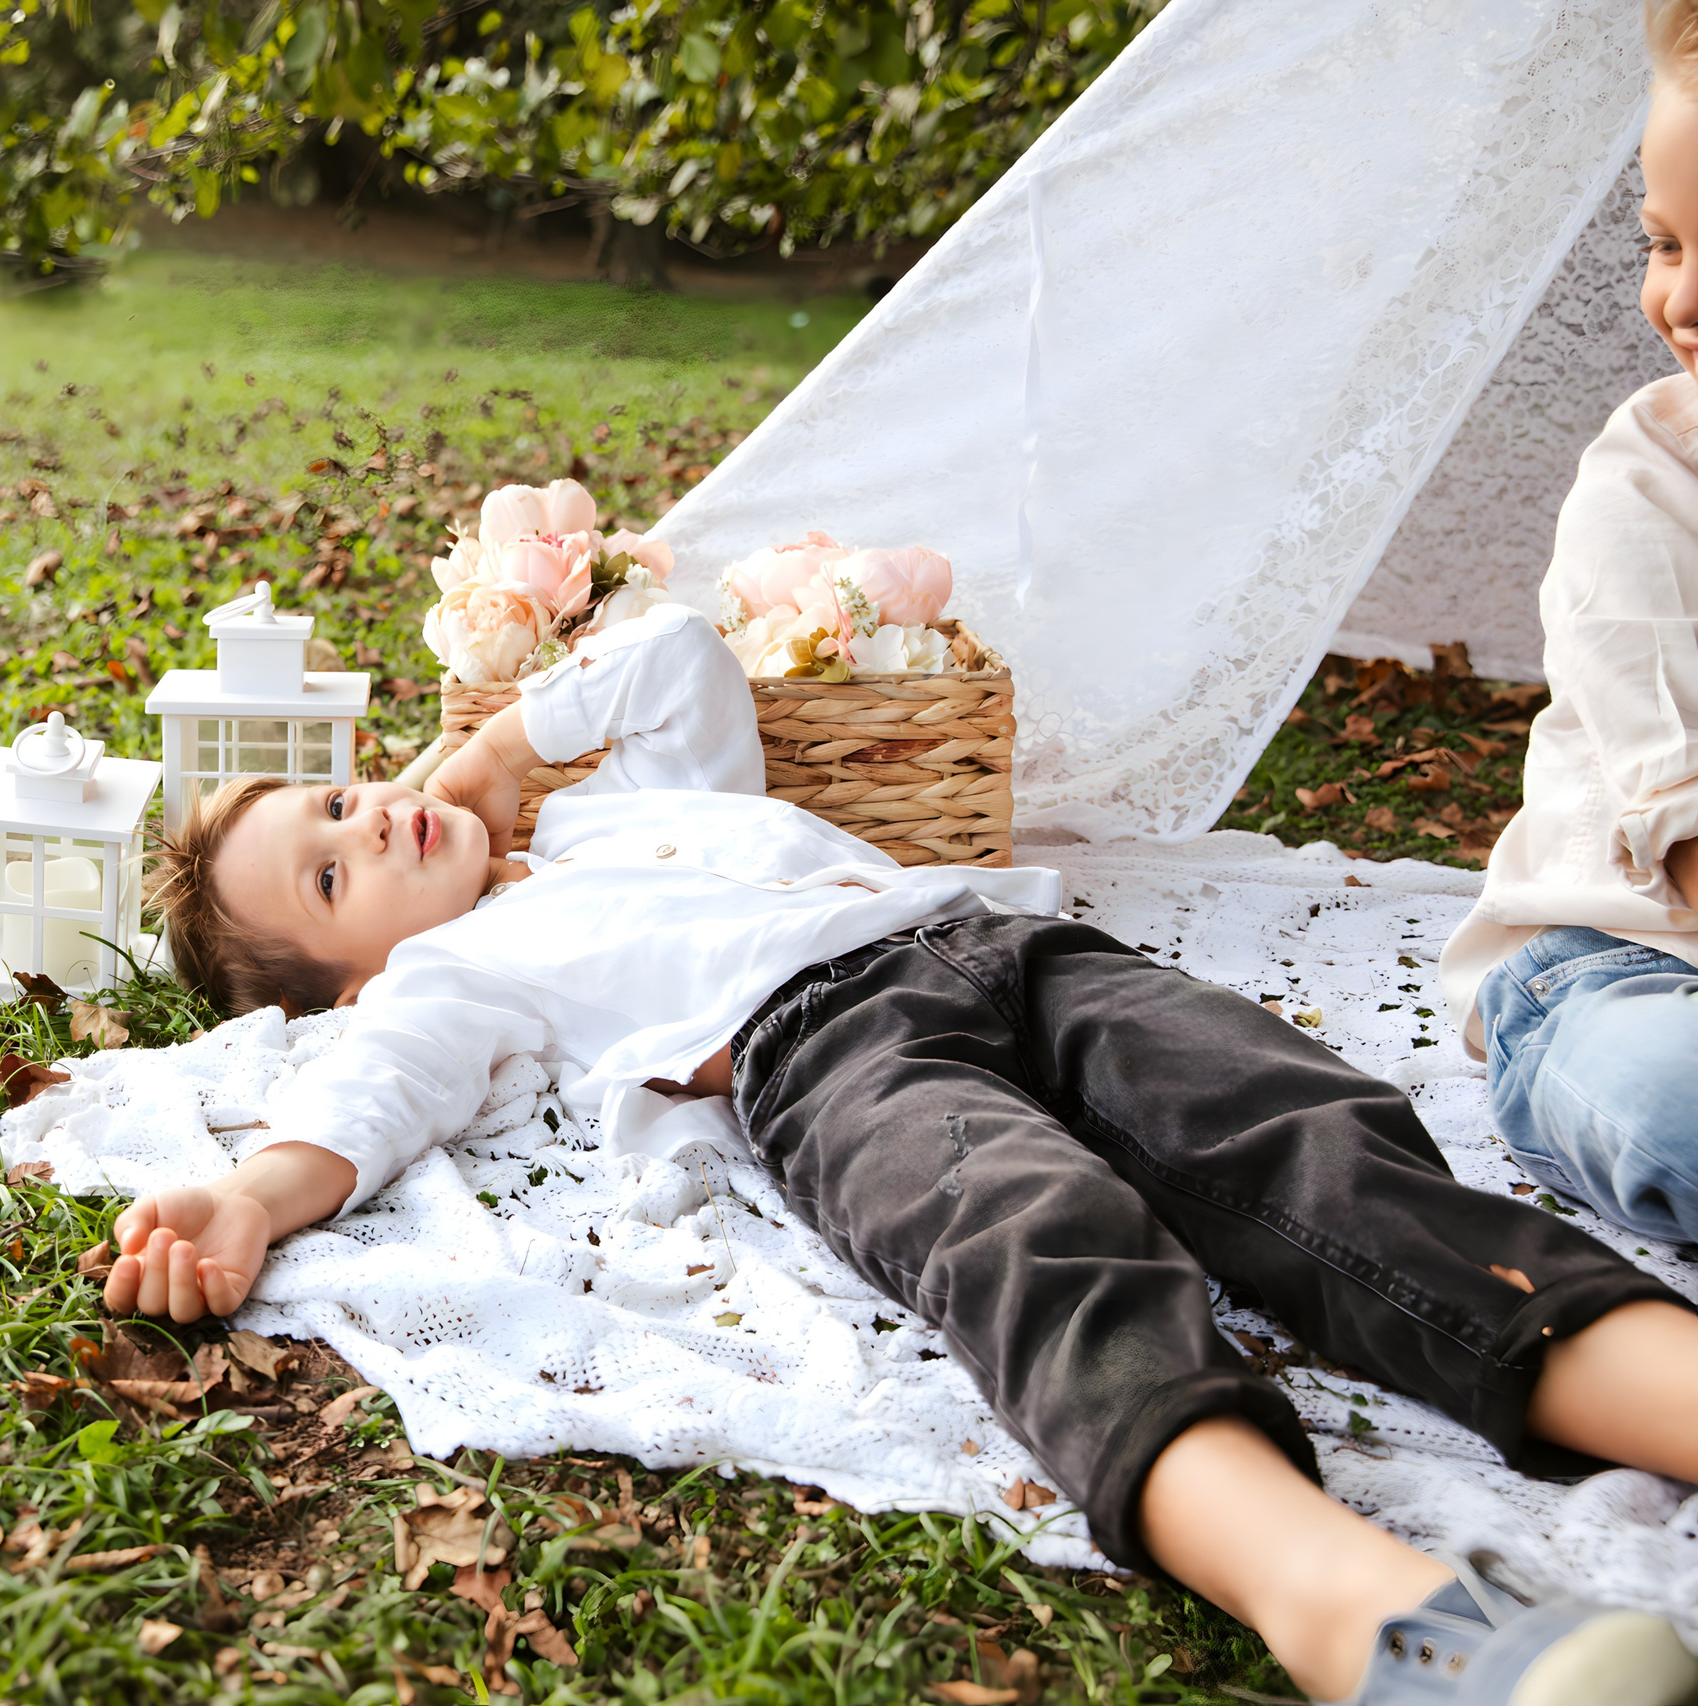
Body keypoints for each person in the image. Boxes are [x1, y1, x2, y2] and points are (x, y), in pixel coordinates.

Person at [101, 602, 1698, 1705]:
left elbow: (670, 653)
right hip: (823, 1053)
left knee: (1310, 1140)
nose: (365, 822)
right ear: (358, 972)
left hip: (1015, 954)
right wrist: (245, 1198)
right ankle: (1365, 1613)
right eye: (326, 875)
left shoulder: (614, 812)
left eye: (338, 795)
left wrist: (507, 748)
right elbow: (360, 1108)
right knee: (1034, 1242)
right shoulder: (449, 981)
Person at [1439, 4, 1698, 1248]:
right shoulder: (1645, 486)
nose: (1679, 298)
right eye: (1661, 244)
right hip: (1620, 966)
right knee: (1673, 1097)